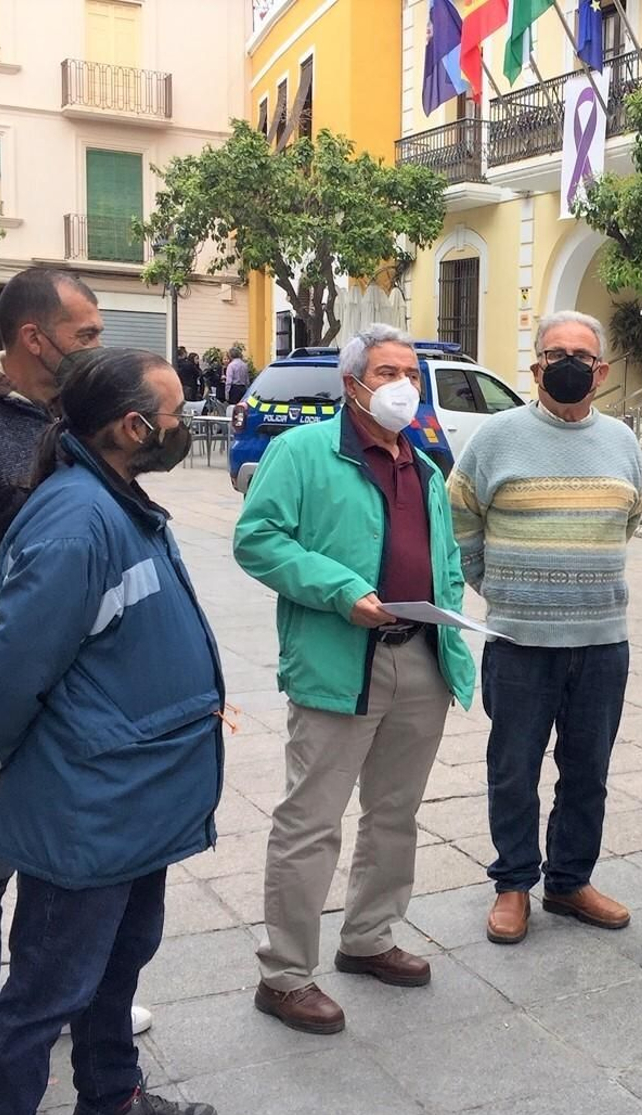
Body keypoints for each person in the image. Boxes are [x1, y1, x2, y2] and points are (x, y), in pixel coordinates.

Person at [0, 347, 223, 1115]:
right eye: (176, 416)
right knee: (41, 998)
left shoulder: (114, 497)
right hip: (90, 803)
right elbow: (10, 666)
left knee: (121, 960)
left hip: (135, 793)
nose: (185, 428)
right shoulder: (77, 519)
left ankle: (111, 1101)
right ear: (131, 427)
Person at [0, 267, 155, 1109]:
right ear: (34, 338)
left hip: (89, 707)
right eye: (86, 335)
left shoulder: (77, 425)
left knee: (76, 860)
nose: (98, 348)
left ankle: (68, 997)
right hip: (2, 702)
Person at [236, 324, 475, 1035]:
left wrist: (450, 616)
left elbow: (446, 559)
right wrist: (341, 589)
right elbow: (258, 539)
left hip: (420, 657)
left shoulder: (424, 466)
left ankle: (369, 937)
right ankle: (283, 976)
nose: (404, 384)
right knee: (310, 823)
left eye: (410, 371)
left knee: (394, 814)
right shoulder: (301, 453)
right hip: (340, 660)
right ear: (353, 384)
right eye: (388, 371)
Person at [448, 311, 642, 945]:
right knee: (513, 768)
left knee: (588, 769)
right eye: (555, 353)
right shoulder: (496, 437)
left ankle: (568, 881)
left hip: (601, 644)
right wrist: (503, 590)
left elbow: (628, 521)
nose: (568, 364)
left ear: (601, 369)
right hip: (518, 643)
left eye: (581, 355)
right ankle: (513, 885)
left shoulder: (622, 442)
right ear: (535, 366)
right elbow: (461, 525)